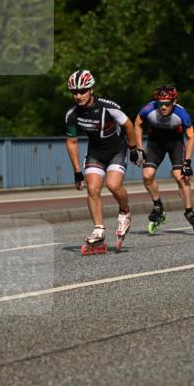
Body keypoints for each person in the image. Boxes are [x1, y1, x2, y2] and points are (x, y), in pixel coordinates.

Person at [64, 69, 144, 253]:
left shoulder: (108, 106)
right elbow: (72, 142)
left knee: (113, 185)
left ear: (91, 89)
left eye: (82, 91)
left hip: (117, 149)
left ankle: (125, 211)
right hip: (96, 153)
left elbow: (128, 125)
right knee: (93, 189)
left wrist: (134, 149)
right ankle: (98, 229)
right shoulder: (72, 115)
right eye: (74, 92)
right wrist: (77, 172)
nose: (78, 95)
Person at [135, 85, 194, 235]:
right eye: (160, 103)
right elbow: (137, 124)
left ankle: (189, 210)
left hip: (175, 143)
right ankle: (158, 206)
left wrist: (187, 162)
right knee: (147, 175)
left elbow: (191, 137)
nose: (163, 107)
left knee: (180, 175)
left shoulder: (182, 114)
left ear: (174, 101)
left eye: (167, 103)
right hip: (155, 142)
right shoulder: (148, 109)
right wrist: (138, 148)